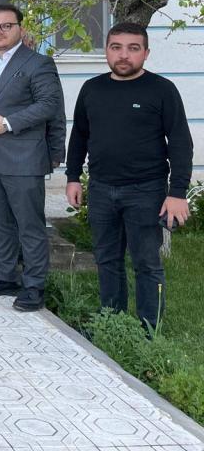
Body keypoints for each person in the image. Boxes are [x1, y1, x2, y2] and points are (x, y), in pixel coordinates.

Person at [65, 22, 193, 327]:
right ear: (107, 51)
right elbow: (80, 135)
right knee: (107, 260)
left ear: (146, 53)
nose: (124, 55)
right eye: (116, 47)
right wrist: (72, 177)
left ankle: (150, 331)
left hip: (146, 191)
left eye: (133, 48)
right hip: (100, 189)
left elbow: (180, 143)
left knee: (146, 263)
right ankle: (113, 324)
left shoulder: (162, 90)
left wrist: (177, 193)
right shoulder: (92, 88)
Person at [0, 3, 64, 312]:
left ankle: (34, 285)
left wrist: (5, 123)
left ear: (20, 28)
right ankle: (6, 276)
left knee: (29, 225)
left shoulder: (38, 63)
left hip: (22, 157)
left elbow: (48, 104)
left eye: (6, 26)